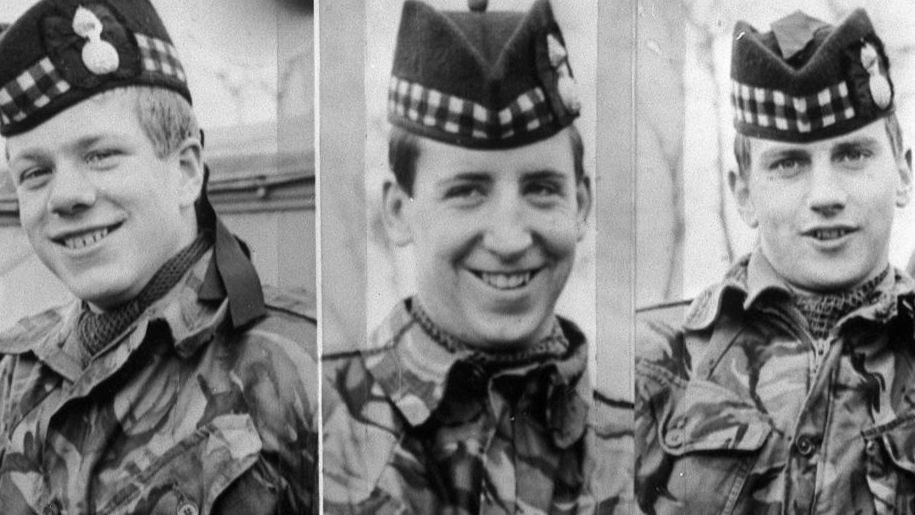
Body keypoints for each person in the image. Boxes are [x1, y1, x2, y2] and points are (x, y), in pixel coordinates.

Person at [0, 1, 317, 513]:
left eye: (100, 155)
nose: (66, 196)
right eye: (35, 173)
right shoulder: (12, 377)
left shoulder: (297, 366)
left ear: (187, 170)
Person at [322, 0, 632, 513]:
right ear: (398, 211)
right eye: (467, 191)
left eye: (541, 189)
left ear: (581, 205)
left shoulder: (640, 441)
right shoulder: (321, 424)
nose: (510, 240)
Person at [636, 8, 915, 513]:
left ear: (903, 171)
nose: (826, 195)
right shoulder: (654, 365)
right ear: (742, 193)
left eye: (853, 155)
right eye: (789, 163)